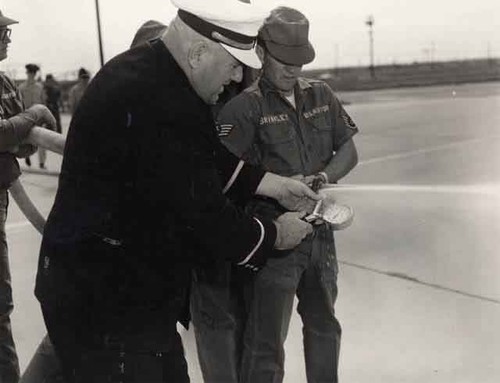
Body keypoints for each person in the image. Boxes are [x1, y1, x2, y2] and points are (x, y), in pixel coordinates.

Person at [34, 0, 321, 381]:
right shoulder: (156, 99)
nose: (238, 76)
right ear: (200, 50)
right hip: (108, 305)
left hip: (128, 292)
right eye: (234, 63)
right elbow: (205, 217)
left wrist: (273, 185)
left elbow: (204, 155)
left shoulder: (158, 72)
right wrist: (275, 234)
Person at [191, 7, 359, 383]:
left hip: (320, 237)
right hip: (276, 242)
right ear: (263, 53)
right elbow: (217, 180)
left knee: (325, 327)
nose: (293, 70)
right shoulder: (242, 109)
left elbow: (349, 151)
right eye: (285, 61)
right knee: (265, 342)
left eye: (300, 62)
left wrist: (322, 175)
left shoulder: (322, 95)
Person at [0, 10, 57, 383]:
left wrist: (21, 132)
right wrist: (35, 113)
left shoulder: (5, 80)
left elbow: (16, 142)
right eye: (2, 31)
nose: (8, 37)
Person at [19, 63, 47, 168]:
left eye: (32, 73)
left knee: (42, 141)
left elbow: (44, 102)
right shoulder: (21, 87)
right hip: (26, 117)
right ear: (27, 74)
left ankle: (42, 162)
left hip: (39, 117)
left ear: (34, 74)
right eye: (29, 73)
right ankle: (27, 156)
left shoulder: (40, 87)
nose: (31, 75)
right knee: (27, 140)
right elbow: (19, 103)